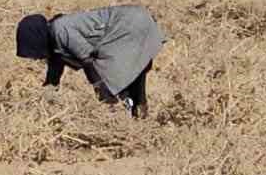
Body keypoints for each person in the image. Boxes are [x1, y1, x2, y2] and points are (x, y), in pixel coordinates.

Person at [16, 6, 163, 120]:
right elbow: (53, 78)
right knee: (123, 71)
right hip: (133, 18)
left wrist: (101, 91)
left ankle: (129, 112)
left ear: (36, 39)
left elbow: (88, 59)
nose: (35, 59)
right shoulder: (55, 42)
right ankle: (138, 109)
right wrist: (41, 104)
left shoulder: (60, 30)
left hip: (130, 23)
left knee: (110, 73)